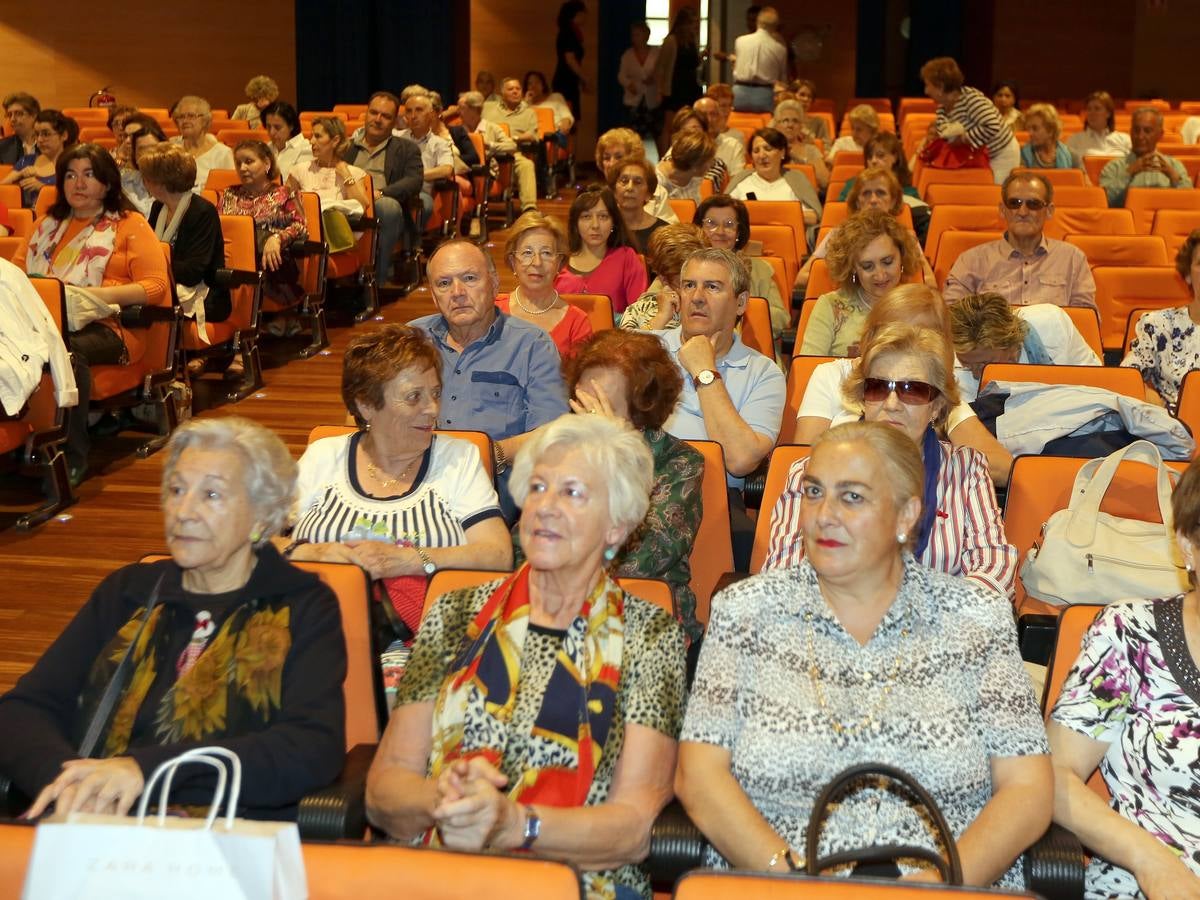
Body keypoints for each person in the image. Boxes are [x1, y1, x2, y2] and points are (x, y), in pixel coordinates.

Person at [677, 419, 1050, 886]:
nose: (824, 514)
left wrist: (942, 883)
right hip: (778, 883)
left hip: (946, 881)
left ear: (906, 515)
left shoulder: (976, 618)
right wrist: (791, 876)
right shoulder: (745, 611)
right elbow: (700, 777)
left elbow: (1027, 789)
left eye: (852, 497)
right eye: (814, 493)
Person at [365, 412, 686, 900]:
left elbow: (632, 828)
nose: (545, 508)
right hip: (437, 869)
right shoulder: (453, 613)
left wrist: (516, 824)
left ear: (617, 528)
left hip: (576, 880)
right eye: (537, 488)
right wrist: (451, 801)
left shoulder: (650, 636)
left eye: (572, 493)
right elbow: (384, 790)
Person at [0, 416, 347, 821]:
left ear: (262, 515)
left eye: (212, 494)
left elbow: (310, 747)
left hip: (224, 843)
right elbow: (23, 709)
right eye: (177, 489)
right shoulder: (130, 591)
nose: (184, 511)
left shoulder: (302, 605)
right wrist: (74, 784)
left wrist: (147, 771)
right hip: (93, 830)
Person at [289, 324, 511, 638]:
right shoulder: (324, 456)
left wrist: (408, 560)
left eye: (435, 394)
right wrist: (311, 553)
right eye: (413, 398)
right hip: (316, 631)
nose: (432, 409)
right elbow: (254, 540)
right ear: (366, 404)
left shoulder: (458, 459)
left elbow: (498, 555)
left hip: (430, 643)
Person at [765, 324, 1016, 597]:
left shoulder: (966, 470)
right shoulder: (809, 471)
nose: (892, 403)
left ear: (937, 406)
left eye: (913, 390)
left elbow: (995, 567)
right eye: (878, 388)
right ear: (863, 399)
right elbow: (783, 574)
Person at [1048, 457, 1200, 900]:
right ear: (1188, 545)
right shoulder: (1131, 634)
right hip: (1146, 883)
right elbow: (1056, 776)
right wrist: (1152, 861)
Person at [25, 144, 170, 483]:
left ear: (106, 183)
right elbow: (16, 278)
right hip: (41, 323)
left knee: (65, 351)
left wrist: (93, 297)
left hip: (112, 327)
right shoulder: (47, 225)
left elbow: (155, 286)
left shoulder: (129, 224)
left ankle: (70, 456)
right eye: (71, 175)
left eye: (89, 175)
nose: (78, 183)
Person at [552, 330, 705, 639]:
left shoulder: (681, 463)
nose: (587, 418)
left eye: (602, 408)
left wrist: (615, 458)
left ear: (640, 410)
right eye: (581, 404)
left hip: (642, 619)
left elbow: (643, 558)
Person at [792, 284, 1014, 488]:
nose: (908, 343)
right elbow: (805, 462)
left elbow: (1003, 468)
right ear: (871, 334)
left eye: (923, 335)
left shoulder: (929, 389)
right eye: (896, 330)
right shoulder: (830, 375)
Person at [410, 240, 568, 519]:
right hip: (413, 489)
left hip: (494, 499)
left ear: (494, 285)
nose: (457, 293)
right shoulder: (411, 339)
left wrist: (489, 454)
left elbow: (554, 434)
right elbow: (366, 414)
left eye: (469, 279)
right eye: (444, 284)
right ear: (434, 296)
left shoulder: (531, 345)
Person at [648, 248, 786, 569]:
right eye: (688, 286)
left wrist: (704, 372)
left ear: (740, 303)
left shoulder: (763, 373)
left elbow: (739, 461)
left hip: (716, 500)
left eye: (712, 287)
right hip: (636, 489)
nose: (696, 297)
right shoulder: (643, 348)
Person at [942, 171, 1098, 309]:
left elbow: (1086, 322)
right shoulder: (971, 261)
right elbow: (950, 318)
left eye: (1033, 204)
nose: (1022, 212)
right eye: (1014, 203)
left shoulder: (1072, 259)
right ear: (1003, 210)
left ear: (1049, 211)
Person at [139, 143, 231, 372]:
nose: (144, 183)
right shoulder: (158, 208)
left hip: (205, 293)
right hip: (169, 284)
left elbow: (194, 271)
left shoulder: (202, 211)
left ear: (162, 181)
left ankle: (155, 367)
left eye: (147, 178)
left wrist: (155, 272)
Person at [800, 209, 923, 357]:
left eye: (887, 262)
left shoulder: (921, 307)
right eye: (867, 266)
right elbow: (808, 369)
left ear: (902, 257)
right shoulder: (830, 306)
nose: (880, 274)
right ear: (853, 268)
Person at [796, 167, 934, 296]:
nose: (873, 200)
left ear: (893, 201)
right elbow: (802, 278)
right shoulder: (837, 236)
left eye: (880, 193)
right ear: (857, 202)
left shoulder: (906, 237)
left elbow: (929, 282)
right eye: (866, 193)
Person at [950, 292, 1102, 400]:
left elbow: (1096, 383)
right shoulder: (950, 360)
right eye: (967, 364)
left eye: (984, 364)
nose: (976, 374)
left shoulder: (1054, 324)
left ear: (1010, 343)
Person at [342, 91, 423, 287]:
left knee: (388, 206)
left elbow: (414, 180)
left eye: (385, 116)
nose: (378, 120)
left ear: (395, 121)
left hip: (380, 204)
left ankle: (376, 281)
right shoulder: (347, 147)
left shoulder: (406, 148)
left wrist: (381, 193)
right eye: (374, 113)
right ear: (366, 114)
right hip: (345, 202)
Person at [219, 139, 307, 309]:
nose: (242, 168)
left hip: (273, 259)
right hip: (233, 257)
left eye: (249, 161)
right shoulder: (229, 194)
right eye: (238, 163)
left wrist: (276, 238)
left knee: (262, 244)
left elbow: (300, 226)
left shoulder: (286, 193)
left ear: (267, 163)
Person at [1121, 230, 1200, 412]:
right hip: (1172, 428)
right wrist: (1147, 393)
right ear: (1187, 274)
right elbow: (1127, 376)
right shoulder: (1157, 325)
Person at [497, 210, 592, 358]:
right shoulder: (492, 312)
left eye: (546, 253)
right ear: (512, 261)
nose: (537, 262)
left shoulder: (577, 323)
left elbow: (579, 379)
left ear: (559, 262)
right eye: (527, 253)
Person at [693, 194, 786, 338]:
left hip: (750, 349)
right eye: (711, 223)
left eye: (729, 224)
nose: (720, 231)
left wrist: (737, 310)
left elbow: (780, 319)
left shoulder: (760, 270)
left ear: (739, 232)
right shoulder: (683, 265)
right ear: (699, 228)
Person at [920, 57, 1020, 184]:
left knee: (995, 192)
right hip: (979, 156)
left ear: (940, 87)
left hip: (1001, 154)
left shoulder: (972, 99)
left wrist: (962, 139)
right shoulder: (941, 109)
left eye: (928, 85)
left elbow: (993, 125)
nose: (926, 91)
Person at [554, 186, 647, 316]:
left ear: (613, 222)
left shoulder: (627, 258)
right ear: (575, 223)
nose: (595, 225)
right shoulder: (557, 262)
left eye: (603, 217)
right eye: (586, 216)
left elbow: (639, 315)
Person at [457, 91, 536, 215]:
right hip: (466, 168)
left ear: (474, 110)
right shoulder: (457, 129)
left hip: (491, 165)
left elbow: (511, 145)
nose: (458, 111)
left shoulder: (491, 127)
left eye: (461, 108)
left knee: (526, 164)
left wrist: (490, 146)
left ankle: (530, 208)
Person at [1099, 107, 1193, 208]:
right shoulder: (1113, 167)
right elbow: (1104, 202)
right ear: (1130, 132)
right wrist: (1128, 173)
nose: (1140, 136)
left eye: (1147, 131)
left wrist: (1174, 178)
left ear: (1160, 135)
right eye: (1136, 130)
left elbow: (1189, 203)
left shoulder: (1175, 166)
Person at [619, 223, 706, 330]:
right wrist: (661, 318)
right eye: (689, 284)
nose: (698, 292)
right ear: (663, 278)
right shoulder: (639, 311)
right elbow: (630, 346)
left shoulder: (718, 305)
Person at [728, 127, 821, 226]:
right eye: (756, 151)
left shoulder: (797, 179)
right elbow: (721, 212)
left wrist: (775, 214)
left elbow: (814, 217)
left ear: (782, 152)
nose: (762, 156)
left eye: (768, 149)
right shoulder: (741, 179)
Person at [286, 115, 370, 219]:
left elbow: (361, 208)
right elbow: (285, 206)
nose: (311, 141)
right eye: (311, 136)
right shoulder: (299, 170)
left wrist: (346, 175)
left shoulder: (353, 172)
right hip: (306, 230)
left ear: (335, 140)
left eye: (318, 136)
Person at [595, 127, 676, 224]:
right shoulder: (596, 195)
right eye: (606, 158)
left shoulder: (657, 193)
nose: (611, 163)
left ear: (633, 158)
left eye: (618, 157)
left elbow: (671, 230)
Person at [484, 78, 542, 210]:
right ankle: (475, 214)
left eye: (518, 89)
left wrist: (513, 138)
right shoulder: (489, 108)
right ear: (502, 93)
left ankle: (529, 209)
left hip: (512, 152)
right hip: (488, 152)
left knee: (527, 165)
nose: (515, 92)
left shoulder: (528, 112)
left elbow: (533, 135)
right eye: (511, 89)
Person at [2, 109, 75, 208]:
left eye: (46, 134)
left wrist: (45, 188)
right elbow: (2, 189)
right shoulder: (27, 161)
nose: (40, 140)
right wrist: (19, 175)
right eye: (37, 134)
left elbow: (77, 195)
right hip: (28, 217)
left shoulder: (73, 165)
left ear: (64, 135)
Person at [655, 7, 704, 154]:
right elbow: (660, 67)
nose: (695, 26)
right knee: (670, 125)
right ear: (683, 23)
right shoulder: (671, 41)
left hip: (691, 86)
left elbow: (692, 64)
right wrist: (660, 90)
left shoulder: (692, 41)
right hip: (675, 87)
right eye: (692, 23)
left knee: (690, 121)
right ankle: (665, 155)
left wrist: (702, 55)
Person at [170, 96, 235, 194]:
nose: (185, 121)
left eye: (191, 116)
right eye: (181, 117)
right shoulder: (171, 149)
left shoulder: (223, 153)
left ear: (205, 120)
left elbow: (232, 192)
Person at [731, 7, 786, 113]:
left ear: (757, 22)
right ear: (775, 26)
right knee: (764, 126)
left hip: (739, 92)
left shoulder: (740, 41)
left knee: (739, 123)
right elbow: (782, 78)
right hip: (765, 94)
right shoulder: (780, 49)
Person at [609, 158, 668, 255]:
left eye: (637, 182)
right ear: (614, 191)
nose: (630, 187)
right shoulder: (603, 226)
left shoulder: (663, 232)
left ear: (648, 194)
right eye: (624, 181)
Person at [769, 99, 830, 192]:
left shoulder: (811, 150)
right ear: (777, 124)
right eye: (785, 120)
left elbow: (825, 182)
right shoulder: (768, 148)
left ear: (801, 126)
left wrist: (799, 158)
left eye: (795, 121)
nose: (790, 125)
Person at [1019, 104, 1087, 179]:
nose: (1030, 133)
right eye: (1029, 129)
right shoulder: (1022, 156)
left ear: (1050, 130)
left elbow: (1085, 187)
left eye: (1035, 129)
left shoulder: (1072, 156)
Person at [118, 114, 166, 216]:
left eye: (135, 136)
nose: (128, 141)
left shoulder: (176, 179)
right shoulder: (123, 180)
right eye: (125, 136)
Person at [619, 21, 660, 136]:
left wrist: (654, 78)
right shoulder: (628, 55)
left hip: (651, 99)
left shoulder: (656, 53)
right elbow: (621, 75)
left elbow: (662, 72)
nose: (634, 38)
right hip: (633, 99)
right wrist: (629, 84)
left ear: (646, 36)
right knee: (631, 134)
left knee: (654, 133)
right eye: (633, 35)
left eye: (637, 35)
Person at [1065, 90, 1132, 159]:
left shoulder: (1125, 140)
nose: (1092, 113)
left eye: (1097, 109)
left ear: (1108, 113)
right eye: (1089, 109)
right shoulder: (1074, 141)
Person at [657, 129, 717, 203]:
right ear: (695, 165)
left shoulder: (696, 176)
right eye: (709, 160)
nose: (712, 164)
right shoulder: (657, 182)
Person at [693, 96, 747, 176]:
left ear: (720, 116)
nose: (709, 119)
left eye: (713, 114)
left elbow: (737, 180)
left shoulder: (734, 146)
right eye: (703, 114)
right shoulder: (683, 144)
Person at [552, 1, 587, 124]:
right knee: (568, 120)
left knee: (572, 119)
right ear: (576, 14)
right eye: (583, 13)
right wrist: (585, 78)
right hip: (565, 82)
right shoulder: (568, 32)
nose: (585, 17)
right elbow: (570, 59)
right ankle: (568, 144)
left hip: (569, 81)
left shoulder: (572, 32)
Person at [261, 100, 312, 182]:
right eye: (268, 127)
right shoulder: (265, 149)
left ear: (291, 126)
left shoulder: (306, 149)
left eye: (277, 127)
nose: (271, 132)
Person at [525, 70, 575, 138]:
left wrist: (563, 127)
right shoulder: (525, 103)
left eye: (537, 82)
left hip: (554, 136)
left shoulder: (556, 97)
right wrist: (526, 103)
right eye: (530, 83)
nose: (533, 86)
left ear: (543, 85)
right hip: (532, 137)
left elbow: (567, 117)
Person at [0, 92, 39, 167]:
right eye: (9, 115)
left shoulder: (48, 143)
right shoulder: (2, 147)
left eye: (18, 113)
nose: (12, 119)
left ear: (34, 115)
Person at [792, 80, 832, 144]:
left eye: (809, 96)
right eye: (802, 95)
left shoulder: (819, 122)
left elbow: (827, 147)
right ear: (792, 96)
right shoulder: (780, 120)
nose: (806, 99)